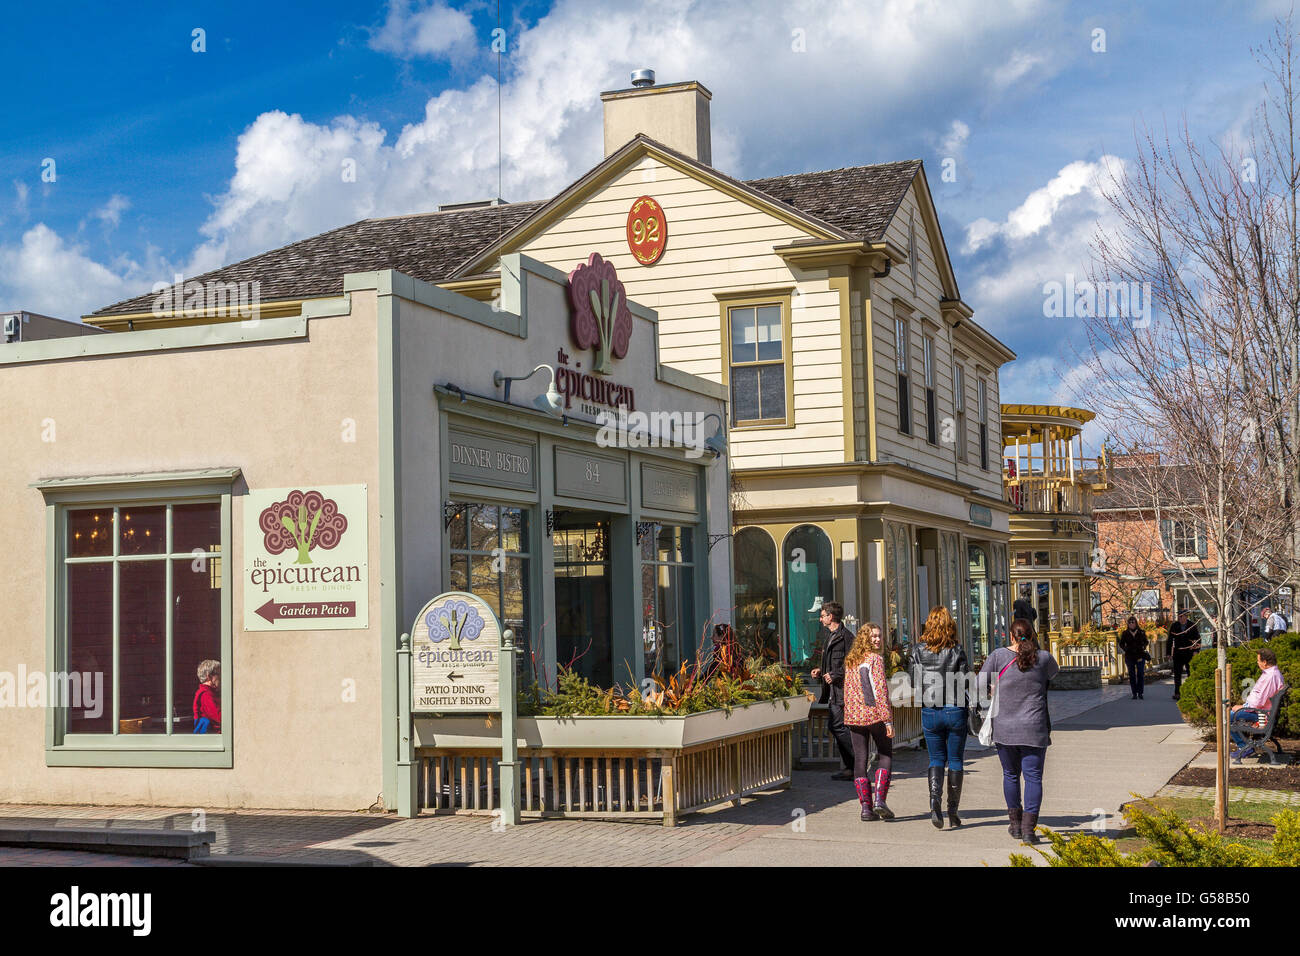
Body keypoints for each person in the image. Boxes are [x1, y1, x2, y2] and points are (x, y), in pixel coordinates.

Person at [979, 619, 1059, 844]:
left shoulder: (998, 656)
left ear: (1011, 637)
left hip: (1005, 728)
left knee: (1010, 775)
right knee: (1033, 778)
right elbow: (1053, 675)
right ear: (1032, 636)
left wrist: (993, 687)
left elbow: (977, 684)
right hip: (1034, 727)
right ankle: (1028, 830)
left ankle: (1014, 825)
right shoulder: (1043, 658)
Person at [909, 605, 972, 829]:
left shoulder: (917, 651)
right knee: (955, 760)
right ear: (950, 625)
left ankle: (934, 802)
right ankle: (952, 810)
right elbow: (966, 680)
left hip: (931, 708)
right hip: (955, 708)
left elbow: (914, 682)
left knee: (935, 759)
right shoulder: (956, 650)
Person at [842, 622, 895, 820]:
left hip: (854, 716)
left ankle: (866, 808)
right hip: (874, 714)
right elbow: (880, 691)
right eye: (873, 636)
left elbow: (848, 690)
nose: (877, 639)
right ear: (865, 638)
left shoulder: (851, 660)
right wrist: (887, 720)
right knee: (885, 753)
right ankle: (880, 800)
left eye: (879, 636)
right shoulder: (875, 659)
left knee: (860, 759)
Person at [809, 601, 855, 780]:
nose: (820, 619)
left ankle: (857, 762)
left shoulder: (847, 637)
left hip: (842, 691)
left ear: (831, 617)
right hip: (832, 691)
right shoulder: (829, 636)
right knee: (837, 727)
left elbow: (852, 663)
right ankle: (851, 768)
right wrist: (821, 672)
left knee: (837, 726)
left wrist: (836, 674)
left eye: (822, 616)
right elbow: (832, 663)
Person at [1229, 648, 1286, 761]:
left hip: (1262, 715)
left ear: (1265, 662)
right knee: (1233, 713)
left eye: (1258, 660)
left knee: (1229, 715)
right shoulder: (1272, 673)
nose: (1257, 663)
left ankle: (1244, 747)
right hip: (1262, 711)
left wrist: (1242, 707)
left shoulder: (1270, 677)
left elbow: (1259, 702)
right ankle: (1245, 745)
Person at [1167, 611, 1200, 700]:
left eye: (1181, 616)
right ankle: (1177, 693)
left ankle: (1190, 693)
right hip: (1178, 653)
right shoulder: (1175, 626)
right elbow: (1170, 640)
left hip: (1189, 652)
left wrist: (1196, 650)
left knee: (1191, 673)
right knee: (1177, 674)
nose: (1180, 618)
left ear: (1186, 616)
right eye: (1179, 616)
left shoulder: (1192, 625)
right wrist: (1169, 653)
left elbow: (1197, 639)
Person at [1117, 616, 1149, 700]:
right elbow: (1121, 644)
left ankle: (1140, 693)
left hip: (1140, 655)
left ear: (1136, 623)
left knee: (1140, 674)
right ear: (1128, 624)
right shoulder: (1125, 633)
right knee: (1132, 675)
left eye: (1133, 622)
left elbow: (1146, 642)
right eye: (1130, 622)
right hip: (1130, 656)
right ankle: (1134, 693)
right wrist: (1126, 649)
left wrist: (1143, 647)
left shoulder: (1141, 632)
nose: (1131, 624)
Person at [193, 659, 221, 733]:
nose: (221, 677)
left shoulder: (211, 692)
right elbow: (219, 717)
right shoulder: (205, 694)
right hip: (212, 737)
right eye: (218, 674)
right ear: (209, 677)